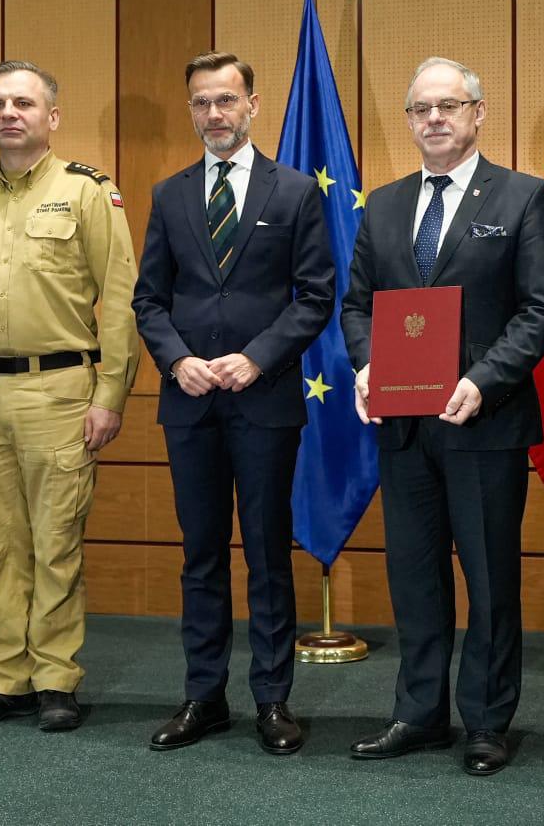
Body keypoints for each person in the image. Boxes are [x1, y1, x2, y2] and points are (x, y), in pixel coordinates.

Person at [339, 57, 544, 776]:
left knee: (490, 580)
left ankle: (488, 721)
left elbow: (542, 309)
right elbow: (355, 306)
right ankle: (419, 713)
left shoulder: (524, 198)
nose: (434, 118)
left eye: (449, 105)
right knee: (414, 576)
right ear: (409, 121)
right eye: (421, 109)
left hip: (485, 421)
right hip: (403, 427)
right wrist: (366, 366)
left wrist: (484, 380)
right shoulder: (382, 205)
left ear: (478, 113)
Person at [0, 60, 140, 732]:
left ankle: (55, 679)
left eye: (23, 103)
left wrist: (111, 394)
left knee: (55, 543)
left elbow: (123, 301)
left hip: (60, 391)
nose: (9, 113)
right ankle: (5, 679)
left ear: (53, 116)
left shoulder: (87, 193)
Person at [132, 52, 334, 755]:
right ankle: (204, 696)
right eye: (201, 102)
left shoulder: (295, 192)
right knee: (201, 555)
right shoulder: (170, 195)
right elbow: (149, 299)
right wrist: (177, 360)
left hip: (265, 400)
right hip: (190, 403)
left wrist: (257, 357)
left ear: (253, 104)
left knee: (269, 554)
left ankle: (273, 699)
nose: (213, 114)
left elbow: (316, 296)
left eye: (225, 99)